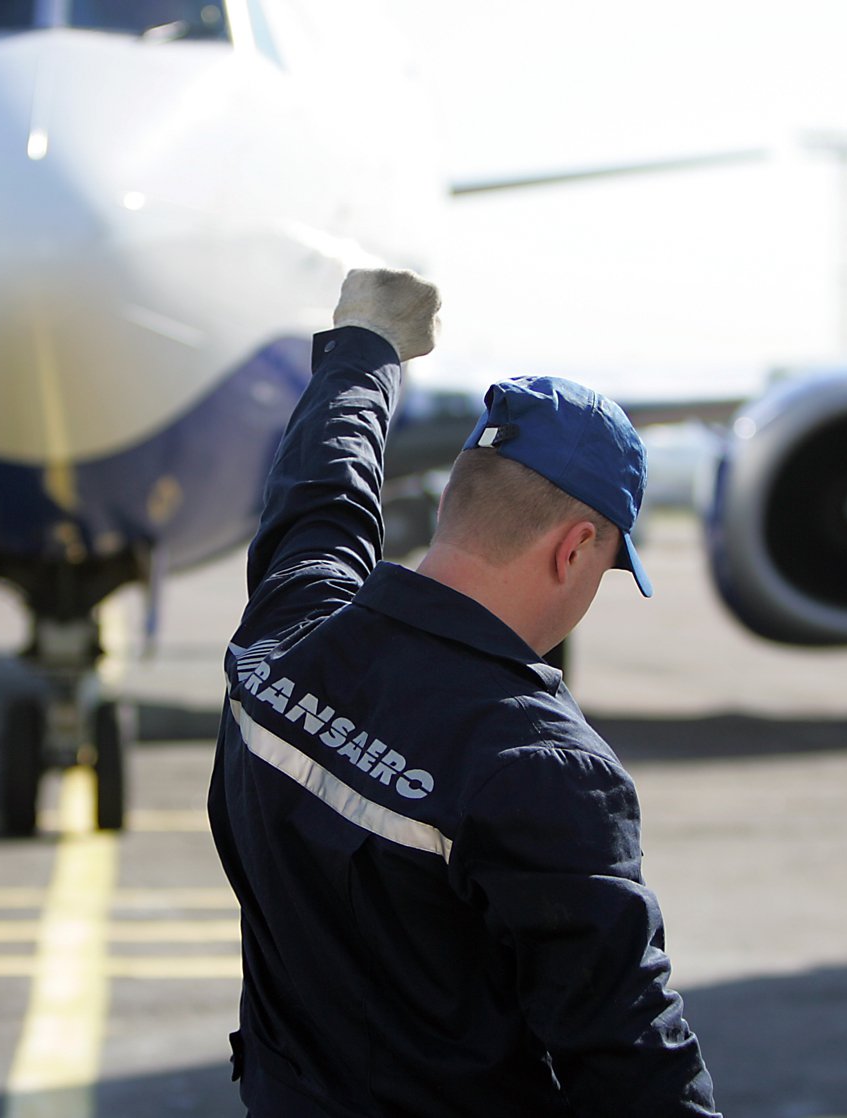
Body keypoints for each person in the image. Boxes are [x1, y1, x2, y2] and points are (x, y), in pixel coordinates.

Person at [207, 268, 718, 1117]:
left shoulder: (284, 635)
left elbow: (321, 489)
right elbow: (628, 1049)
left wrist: (364, 350)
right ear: (575, 547)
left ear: (457, 503)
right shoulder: (537, 768)